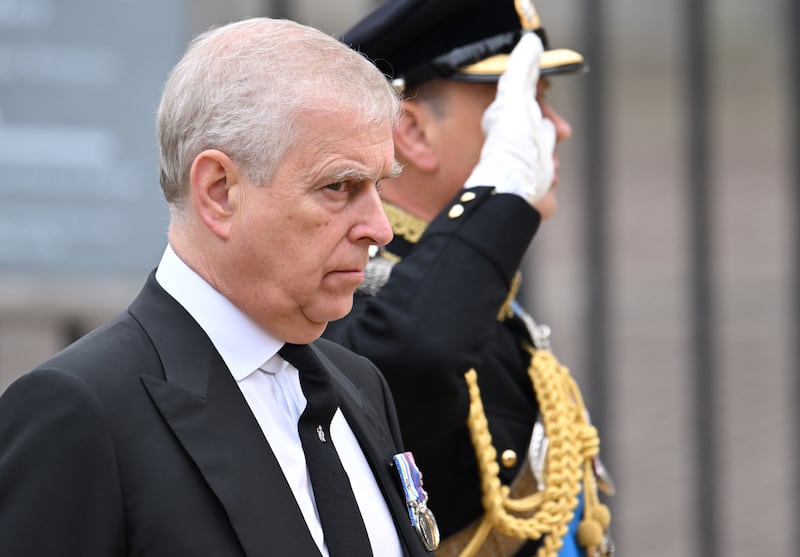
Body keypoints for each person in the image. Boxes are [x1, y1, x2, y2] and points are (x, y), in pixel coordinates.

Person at [0, 17, 439, 557]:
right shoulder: (80, 410)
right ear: (219, 191)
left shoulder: (358, 385)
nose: (380, 227)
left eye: (380, 186)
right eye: (339, 186)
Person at [325, 0, 613, 555]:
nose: (557, 129)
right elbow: (413, 357)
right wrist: (497, 200)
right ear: (411, 130)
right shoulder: (355, 287)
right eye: (522, 106)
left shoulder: (471, 286)